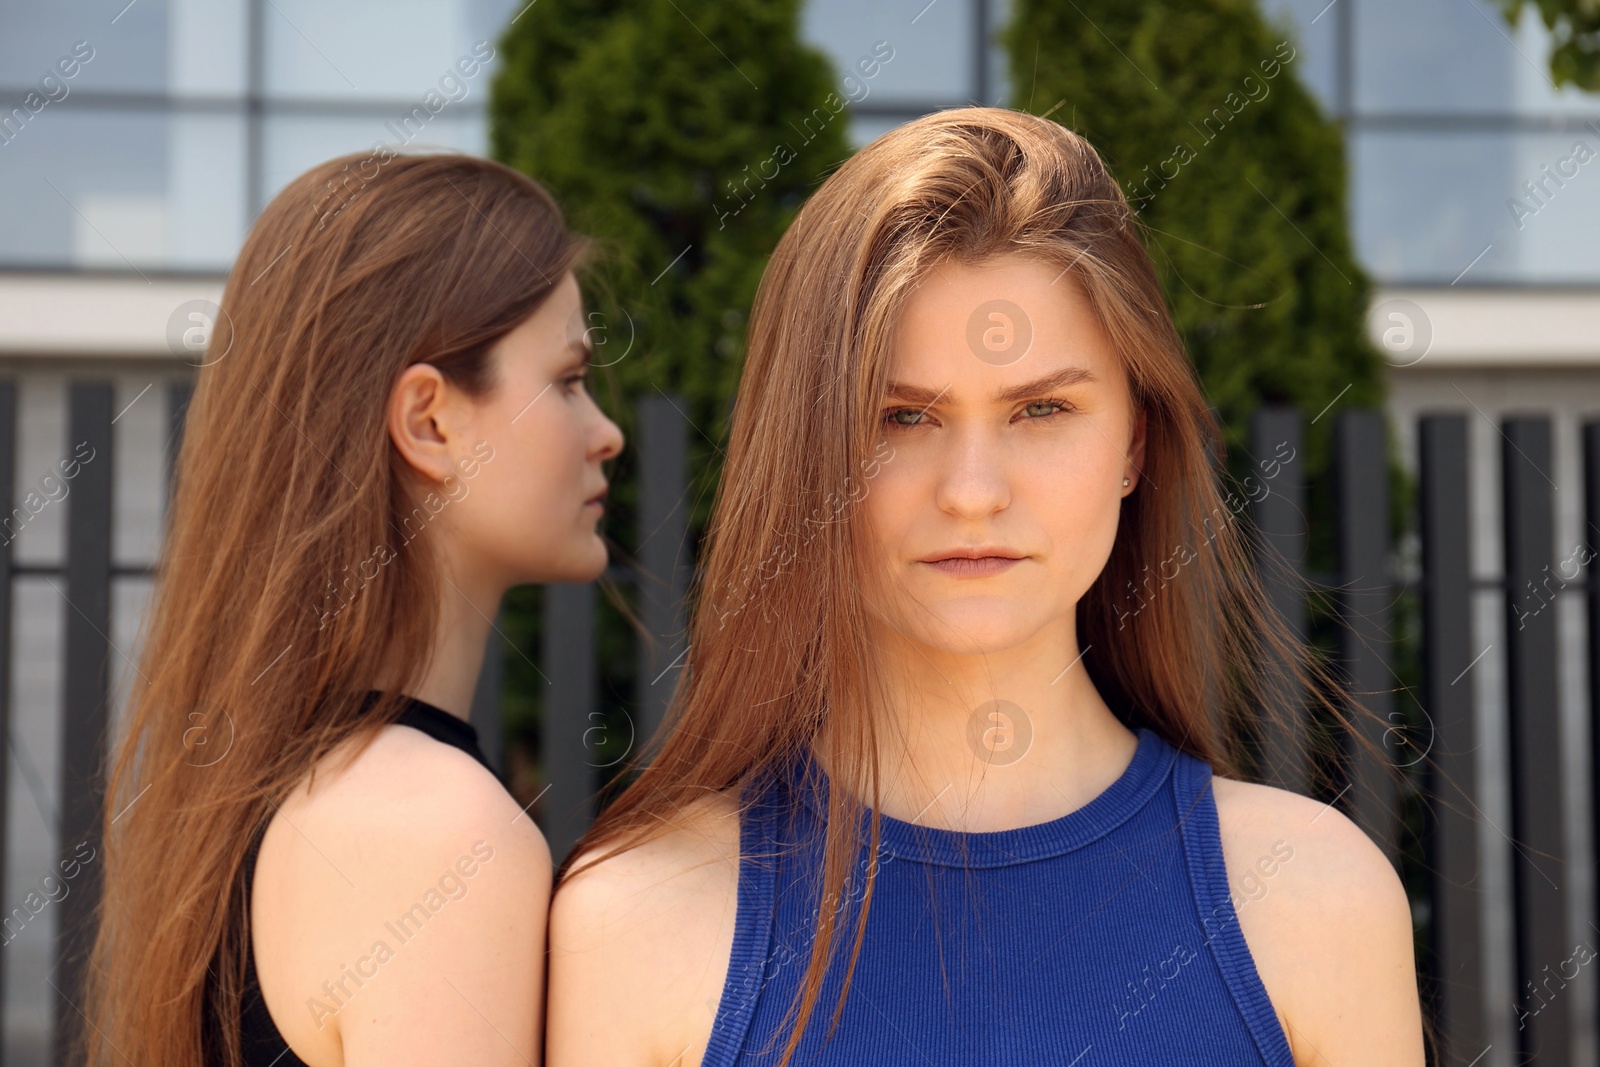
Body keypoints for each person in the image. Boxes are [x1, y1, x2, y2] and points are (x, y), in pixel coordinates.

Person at [545, 107, 1424, 1066]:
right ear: (806, 453)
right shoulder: (640, 917)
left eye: (1042, 408)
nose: (972, 492)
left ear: (1133, 441)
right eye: (901, 417)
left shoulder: (1316, 900)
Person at [80, 148, 623, 1067]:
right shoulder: (437, 835)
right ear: (429, 422)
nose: (605, 431)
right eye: (568, 380)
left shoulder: (272, 788)